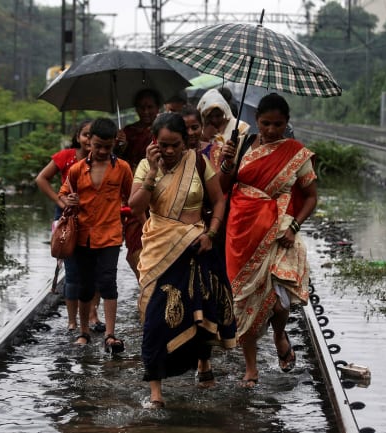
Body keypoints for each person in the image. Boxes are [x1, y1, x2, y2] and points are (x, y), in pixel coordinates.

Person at [129, 113, 236, 408]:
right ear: (154, 143)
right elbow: (134, 205)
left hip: (196, 249)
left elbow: (218, 200)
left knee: (199, 313)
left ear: (185, 142)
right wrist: (151, 171)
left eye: (175, 144)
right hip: (160, 250)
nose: (170, 151)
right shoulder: (143, 167)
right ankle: (155, 390)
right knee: (154, 318)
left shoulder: (199, 162)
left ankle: (203, 365)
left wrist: (211, 233)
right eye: (163, 145)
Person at [219, 93, 318, 387]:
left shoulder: (296, 153)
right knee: (244, 299)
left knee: (277, 300)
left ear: (287, 123)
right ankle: (251, 369)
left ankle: (278, 334)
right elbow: (224, 187)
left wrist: (294, 227)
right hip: (241, 231)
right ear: (256, 121)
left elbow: (311, 197)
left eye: (278, 124)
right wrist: (226, 162)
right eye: (265, 123)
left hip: (279, 232)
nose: (271, 130)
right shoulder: (243, 145)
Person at [58, 118, 133, 350]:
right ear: (89, 141)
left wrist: (128, 215)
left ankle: (110, 334)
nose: (101, 151)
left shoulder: (122, 168)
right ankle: (83, 331)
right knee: (85, 286)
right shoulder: (77, 170)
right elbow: (62, 195)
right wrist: (68, 201)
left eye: (107, 147)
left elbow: (131, 198)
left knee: (108, 282)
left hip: (110, 234)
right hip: (83, 235)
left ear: (114, 144)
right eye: (97, 145)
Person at [35, 120, 104, 334]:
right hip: (69, 218)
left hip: (95, 217)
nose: (88, 139)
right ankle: (72, 320)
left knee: (96, 270)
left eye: (92, 135)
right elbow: (42, 178)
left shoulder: (103, 158)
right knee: (73, 271)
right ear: (78, 137)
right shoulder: (66, 157)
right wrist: (60, 201)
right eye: (85, 134)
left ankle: (93, 314)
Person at [115, 89, 161, 277]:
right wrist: (120, 147)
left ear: (158, 108)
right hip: (134, 191)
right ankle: (145, 282)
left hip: (160, 191)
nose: (146, 112)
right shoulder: (127, 133)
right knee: (135, 243)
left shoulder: (164, 131)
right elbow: (117, 164)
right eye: (142, 108)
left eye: (150, 107)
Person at [196, 88, 250, 169]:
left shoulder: (239, 127)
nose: (214, 120)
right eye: (210, 116)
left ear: (224, 112)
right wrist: (205, 137)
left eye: (218, 115)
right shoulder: (201, 131)